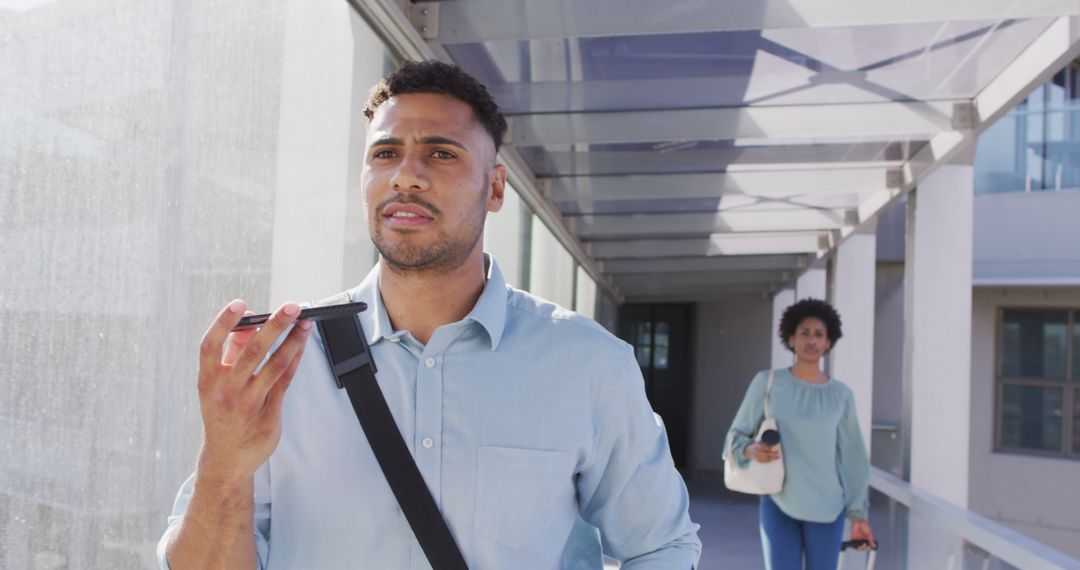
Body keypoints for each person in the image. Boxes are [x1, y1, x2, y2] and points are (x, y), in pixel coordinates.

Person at [157, 60, 701, 569]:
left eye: (441, 154)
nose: (406, 177)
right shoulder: (280, 367)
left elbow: (663, 546)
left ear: (494, 188)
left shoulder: (587, 365)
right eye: (385, 153)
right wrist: (223, 467)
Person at [725, 298, 875, 570]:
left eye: (819, 334)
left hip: (828, 508)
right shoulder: (767, 383)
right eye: (804, 333)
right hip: (778, 502)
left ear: (829, 342)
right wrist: (750, 449)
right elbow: (736, 435)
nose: (812, 340)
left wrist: (857, 515)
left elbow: (853, 457)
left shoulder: (841, 395)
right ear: (791, 338)